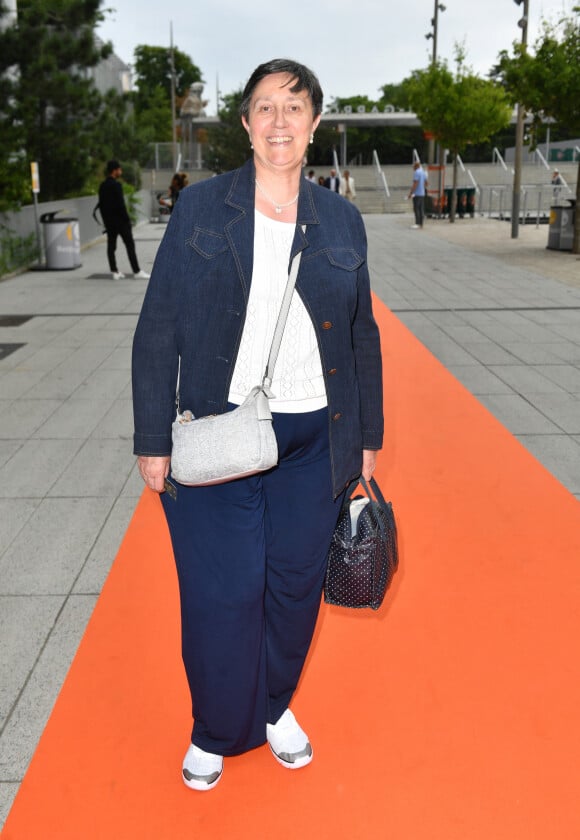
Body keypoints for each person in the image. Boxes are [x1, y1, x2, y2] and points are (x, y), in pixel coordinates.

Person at [132, 58, 383, 792]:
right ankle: (215, 727)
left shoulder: (340, 218)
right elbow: (158, 327)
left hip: (315, 435)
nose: (280, 122)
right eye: (265, 108)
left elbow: (362, 333)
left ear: (314, 124)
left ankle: (273, 707)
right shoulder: (203, 209)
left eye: (294, 107)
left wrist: (366, 433)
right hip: (220, 432)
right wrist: (153, 439)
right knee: (224, 590)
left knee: (294, 585)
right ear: (245, 124)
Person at [98, 160, 150, 280]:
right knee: (130, 245)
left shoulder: (103, 186)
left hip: (109, 222)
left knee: (111, 246)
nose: (121, 171)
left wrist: (106, 221)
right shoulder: (117, 185)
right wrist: (127, 220)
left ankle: (114, 271)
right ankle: (136, 271)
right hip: (121, 222)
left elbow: (102, 205)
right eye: (119, 169)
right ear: (115, 170)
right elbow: (121, 205)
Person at [408, 161, 428, 229]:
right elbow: (426, 183)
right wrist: (423, 188)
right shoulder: (423, 172)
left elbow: (415, 183)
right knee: (421, 209)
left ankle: (417, 223)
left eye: (413, 167)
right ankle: (421, 224)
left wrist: (411, 193)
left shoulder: (417, 172)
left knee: (416, 208)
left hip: (417, 194)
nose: (413, 168)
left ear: (416, 166)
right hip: (422, 193)